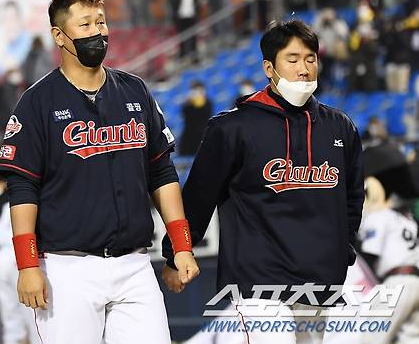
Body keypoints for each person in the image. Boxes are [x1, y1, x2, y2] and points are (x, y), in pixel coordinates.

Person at [0, 0, 199, 344]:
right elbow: (23, 187)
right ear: (59, 36)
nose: (97, 32)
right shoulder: (36, 102)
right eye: (85, 24)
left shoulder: (134, 90)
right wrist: (27, 265)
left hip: (135, 262)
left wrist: (181, 244)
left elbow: (161, 172)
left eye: (101, 22)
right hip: (66, 268)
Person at [165, 20, 364, 343]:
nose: (304, 69)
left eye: (311, 59)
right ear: (269, 67)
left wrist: (341, 249)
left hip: (319, 282)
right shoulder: (232, 128)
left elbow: (353, 199)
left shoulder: (339, 128)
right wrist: (177, 253)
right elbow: (199, 198)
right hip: (258, 285)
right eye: (293, 58)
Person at [358, 176, 419, 344]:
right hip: (415, 280)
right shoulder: (407, 219)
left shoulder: (378, 217)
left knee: (372, 338)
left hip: (397, 283)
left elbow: (370, 255)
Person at [0, 169, 40, 344]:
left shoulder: (0, 202)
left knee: (10, 320)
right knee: (34, 318)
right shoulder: (26, 197)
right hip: (23, 255)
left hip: (1, 257)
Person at [179, 81, 213, 156]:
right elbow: (185, 115)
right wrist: (189, 103)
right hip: (189, 136)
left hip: (202, 135)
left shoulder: (208, 103)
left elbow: (206, 115)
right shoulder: (188, 104)